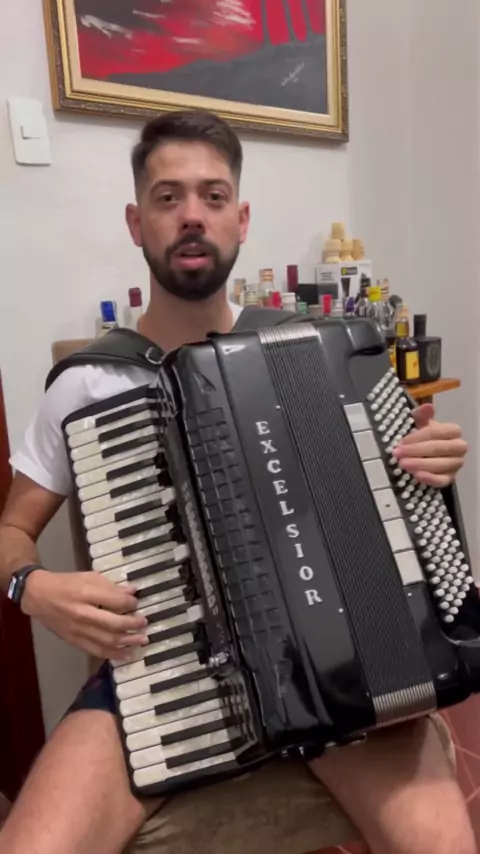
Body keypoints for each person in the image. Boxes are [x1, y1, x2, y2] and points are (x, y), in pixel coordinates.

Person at [0, 109, 475, 854]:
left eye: (213, 196)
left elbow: (390, 512)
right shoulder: (88, 384)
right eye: (168, 197)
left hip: (333, 668)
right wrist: (31, 587)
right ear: (136, 222)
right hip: (157, 671)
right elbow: (11, 531)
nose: (192, 215)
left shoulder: (315, 356)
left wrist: (429, 469)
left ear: (241, 220)